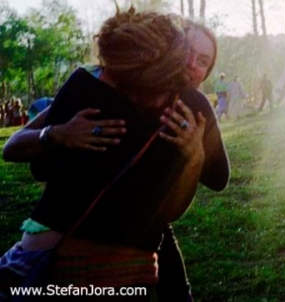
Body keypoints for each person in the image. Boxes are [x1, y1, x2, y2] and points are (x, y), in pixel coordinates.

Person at [2, 16, 230, 301]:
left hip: (115, 264)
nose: (190, 64)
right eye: (185, 51)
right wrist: (57, 133)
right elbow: (19, 152)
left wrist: (195, 156)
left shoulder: (190, 110)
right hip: (59, 261)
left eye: (203, 61)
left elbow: (174, 209)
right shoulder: (91, 82)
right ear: (163, 49)